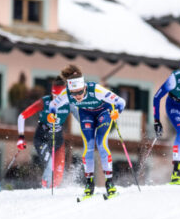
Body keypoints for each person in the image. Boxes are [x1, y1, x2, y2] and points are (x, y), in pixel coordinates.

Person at [47, 64, 125, 198]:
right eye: (74, 93)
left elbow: (120, 101)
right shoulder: (67, 93)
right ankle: (89, 184)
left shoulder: (97, 90)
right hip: (86, 115)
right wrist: (52, 114)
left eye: (80, 92)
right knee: (88, 147)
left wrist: (117, 112)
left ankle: (109, 183)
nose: (77, 96)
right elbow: (53, 104)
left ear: (84, 87)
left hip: (103, 113)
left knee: (101, 144)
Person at [17, 77, 69, 188]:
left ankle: (52, 195)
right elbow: (22, 116)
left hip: (58, 139)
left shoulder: (69, 102)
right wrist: (21, 137)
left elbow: (82, 114)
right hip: (42, 138)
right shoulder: (44, 102)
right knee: (50, 164)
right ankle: (45, 189)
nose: (57, 100)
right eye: (55, 96)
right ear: (52, 93)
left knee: (58, 174)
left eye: (60, 97)